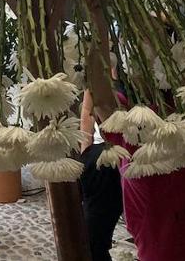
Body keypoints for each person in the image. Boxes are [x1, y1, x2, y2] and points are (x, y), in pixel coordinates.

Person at [79, 89, 124, 261]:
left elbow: (86, 114)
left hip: (113, 159)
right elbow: (87, 113)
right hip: (106, 162)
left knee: (95, 239)